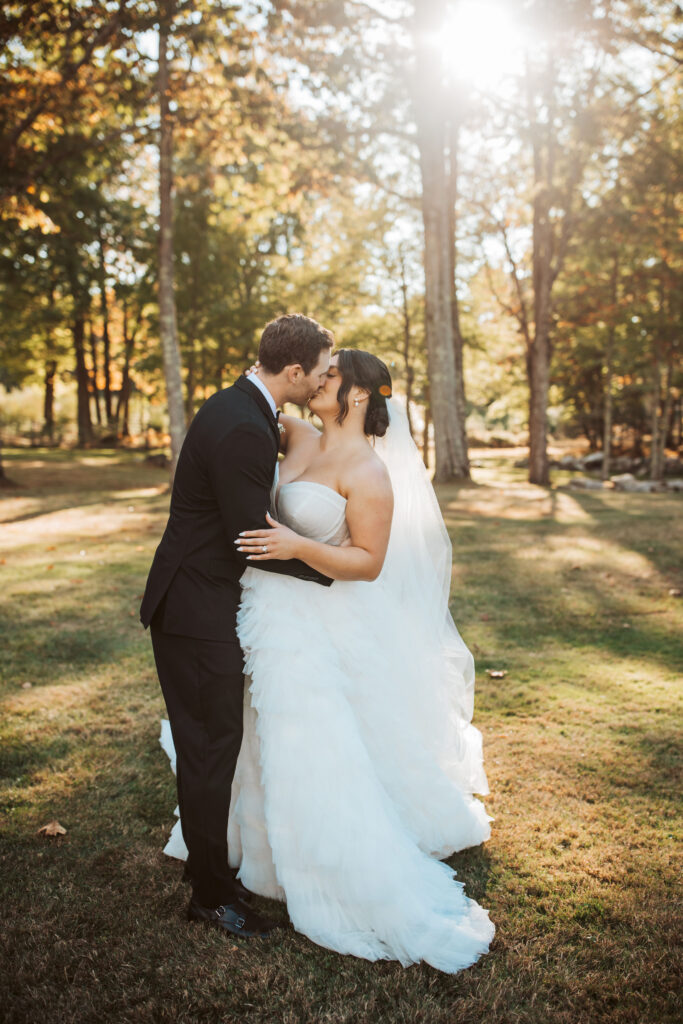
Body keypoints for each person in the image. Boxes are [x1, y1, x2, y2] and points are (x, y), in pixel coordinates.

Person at [161, 347, 495, 972]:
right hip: (258, 609)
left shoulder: (369, 472)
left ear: (361, 396)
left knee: (306, 738)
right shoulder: (299, 435)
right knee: (246, 732)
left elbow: (367, 562)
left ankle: (319, 861)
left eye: (334, 375)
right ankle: (248, 853)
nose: (321, 380)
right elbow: (248, 410)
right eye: (320, 370)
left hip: (314, 623)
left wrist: (294, 544)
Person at [141, 313, 335, 939]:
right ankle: (210, 896)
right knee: (209, 751)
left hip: (196, 602)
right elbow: (252, 538)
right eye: (321, 371)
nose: (324, 381)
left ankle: (208, 864)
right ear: (295, 370)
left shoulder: (242, 407)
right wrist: (335, 575)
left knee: (212, 746)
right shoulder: (246, 428)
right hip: (196, 612)